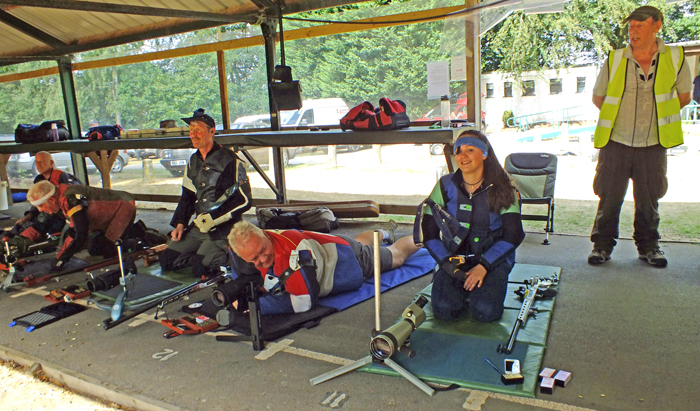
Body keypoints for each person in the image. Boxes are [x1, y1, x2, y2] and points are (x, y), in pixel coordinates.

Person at [589, 6, 692, 268]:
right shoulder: (615, 59)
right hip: (616, 142)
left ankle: (649, 247)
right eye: (630, 26)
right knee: (609, 197)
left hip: (654, 143)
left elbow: (683, 97)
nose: (632, 31)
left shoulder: (675, 57)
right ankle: (601, 246)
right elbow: (599, 97)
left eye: (639, 25)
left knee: (649, 198)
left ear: (656, 25)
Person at [417, 130, 524, 323]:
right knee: (444, 310)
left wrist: (484, 266)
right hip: (453, 260)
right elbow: (429, 233)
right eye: (458, 151)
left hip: (492, 261)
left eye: (470, 150)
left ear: (484, 154)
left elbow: (513, 235)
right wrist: (446, 264)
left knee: (484, 311)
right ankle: (455, 286)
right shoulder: (444, 185)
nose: (462, 156)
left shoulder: (505, 188)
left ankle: (487, 287)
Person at [227, 220, 420, 315]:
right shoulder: (244, 250)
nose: (263, 258)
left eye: (263, 250)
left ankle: (425, 236)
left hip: (348, 260)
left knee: (397, 255)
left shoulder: (293, 253)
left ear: (265, 235)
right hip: (334, 244)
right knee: (359, 243)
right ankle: (384, 232)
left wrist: (255, 307)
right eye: (255, 259)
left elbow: (303, 303)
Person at [160, 109, 252, 277]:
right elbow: (187, 196)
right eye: (191, 130)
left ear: (212, 131)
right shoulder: (193, 162)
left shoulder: (231, 160)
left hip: (224, 228)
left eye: (198, 129)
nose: (193, 134)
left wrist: (213, 219)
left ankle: (226, 254)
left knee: (200, 269)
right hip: (200, 226)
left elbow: (244, 200)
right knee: (166, 261)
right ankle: (202, 255)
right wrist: (180, 223)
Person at [26, 180, 137, 271]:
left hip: (123, 207)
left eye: (40, 206)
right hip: (105, 216)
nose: (40, 210)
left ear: (51, 200)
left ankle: (139, 239)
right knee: (94, 249)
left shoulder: (70, 199)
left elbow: (79, 233)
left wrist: (60, 260)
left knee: (109, 251)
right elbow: (45, 223)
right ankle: (128, 232)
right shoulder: (58, 196)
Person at [1, 151, 81, 254]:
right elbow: (37, 203)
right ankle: (8, 239)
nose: (39, 165)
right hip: (46, 211)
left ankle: (21, 242)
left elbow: (75, 196)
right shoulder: (39, 180)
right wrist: (28, 216)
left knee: (42, 221)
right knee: (22, 224)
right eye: (37, 162)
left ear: (51, 163)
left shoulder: (63, 177)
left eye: (42, 161)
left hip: (59, 214)